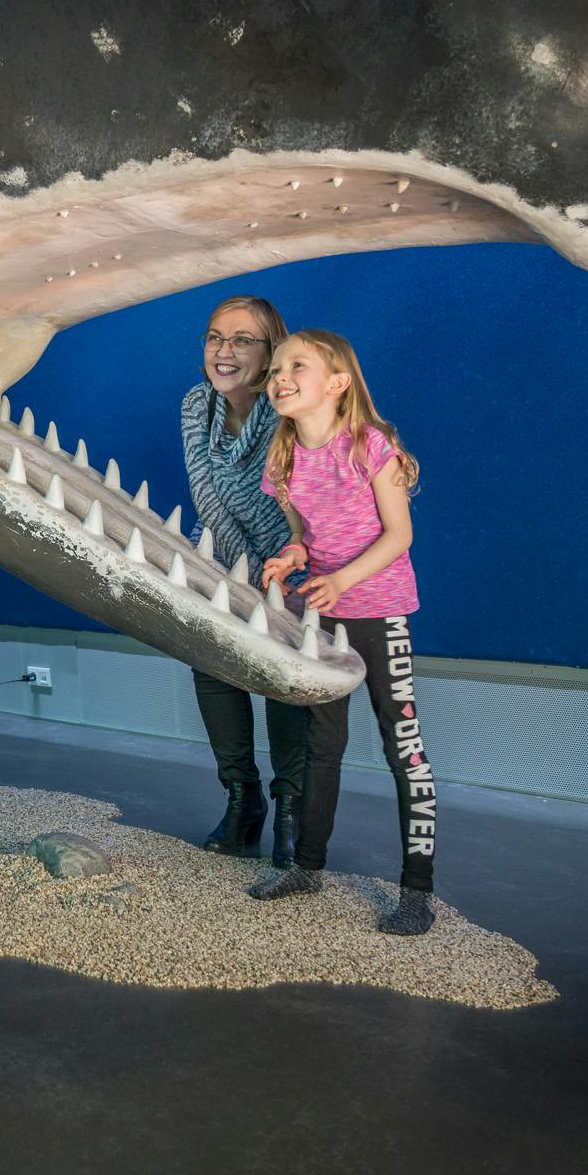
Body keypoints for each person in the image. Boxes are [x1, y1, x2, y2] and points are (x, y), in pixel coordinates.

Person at [247, 330, 436, 936]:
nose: (280, 375)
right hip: (320, 622)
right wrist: (291, 556)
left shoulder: (370, 447)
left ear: (336, 382)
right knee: (321, 747)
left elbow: (399, 535)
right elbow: (306, 534)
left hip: (379, 616)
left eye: (296, 364)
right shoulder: (283, 461)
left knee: (401, 745)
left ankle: (417, 890)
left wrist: (344, 581)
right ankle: (307, 866)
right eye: (275, 366)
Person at [180, 296, 308, 864]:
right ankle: (241, 796)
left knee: (284, 673)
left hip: (300, 566)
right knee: (209, 655)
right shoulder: (195, 404)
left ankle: (290, 805)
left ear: (271, 351)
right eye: (215, 337)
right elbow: (207, 498)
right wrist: (242, 584)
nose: (224, 351)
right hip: (234, 564)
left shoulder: (291, 412)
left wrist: (273, 589)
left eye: (242, 340)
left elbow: (300, 510)